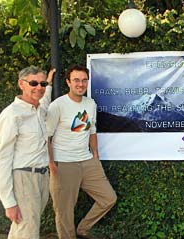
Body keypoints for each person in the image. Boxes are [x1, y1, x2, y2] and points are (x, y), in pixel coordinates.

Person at [47, 64, 117, 239]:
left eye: (84, 80)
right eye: (76, 80)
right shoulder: (58, 106)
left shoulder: (90, 104)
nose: (80, 84)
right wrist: (51, 164)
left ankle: (83, 229)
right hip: (64, 163)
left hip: (87, 161)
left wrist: (95, 156)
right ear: (68, 82)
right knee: (64, 212)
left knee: (109, 198)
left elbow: (92, 131)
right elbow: (46, 137)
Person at [0, 66, 55, 239]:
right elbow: (2, 158)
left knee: (22, 230)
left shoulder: (40, 110)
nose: (39, 87)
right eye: (33, 83)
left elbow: (44, 100)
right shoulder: (12, 115)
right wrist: (8, 202)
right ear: (21, 84)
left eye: (42, 83)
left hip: (41, 178)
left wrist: (49, 84)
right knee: (28, 232)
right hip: (23, 178)